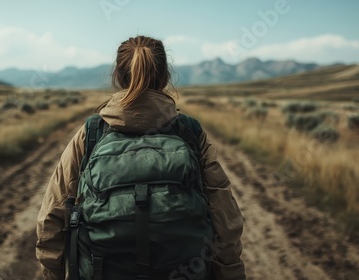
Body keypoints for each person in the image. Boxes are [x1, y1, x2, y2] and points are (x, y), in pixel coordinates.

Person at [36, 35, 245, 280]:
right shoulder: (190, 133)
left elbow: (51, 219)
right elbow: (226, 223)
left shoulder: (91, 134)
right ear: (166, 78)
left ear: (118, 77)